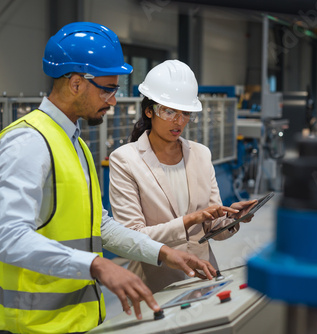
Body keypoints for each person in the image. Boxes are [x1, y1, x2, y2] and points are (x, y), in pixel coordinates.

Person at [0, 23, 217, 334]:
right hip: (29, 325)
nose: (113, 101)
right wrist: (97, 265)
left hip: (73, 321)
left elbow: (100, 224)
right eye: (108, 88)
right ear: (77, 83)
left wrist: (163, 253)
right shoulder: (29, 142)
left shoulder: (74, 143)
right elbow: (10, 239)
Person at [108, 60, 257, 293]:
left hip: (203, 277)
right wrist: (189, 220)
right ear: (149, 111)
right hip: (155, 284)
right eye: (169, 111)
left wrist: (233, 219)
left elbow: (213, 229)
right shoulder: (125, 160)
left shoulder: (200, 154)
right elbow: (132, 238)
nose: (179, 121)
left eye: (185, 113)